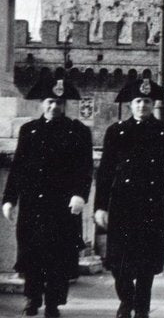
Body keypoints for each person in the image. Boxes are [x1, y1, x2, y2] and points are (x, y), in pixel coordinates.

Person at [94, 78, 164, 318]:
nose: (142, 106)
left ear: (153, 103)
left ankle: (141, 309)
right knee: (118, 262)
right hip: (122, 204)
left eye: (146, 101)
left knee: (146, 264)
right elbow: (105, 171)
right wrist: (100, 206)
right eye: (137, 101)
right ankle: (127, 299)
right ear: (130, 104)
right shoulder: (116, 132)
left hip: (151, 204)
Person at [2, 78, 92, 317]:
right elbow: (18, 167)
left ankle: (53, 303)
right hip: (33, 204)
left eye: (59, 103)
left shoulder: (77, 131)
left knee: (58, 257)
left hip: (62, 206)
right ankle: (32, 299)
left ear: (65, 105)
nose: (54, 107)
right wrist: (9, 199)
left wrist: (80, 195)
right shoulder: (29, 130)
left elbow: (85, 168)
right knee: (31, 255)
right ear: (42, 103)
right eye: (50, 102)